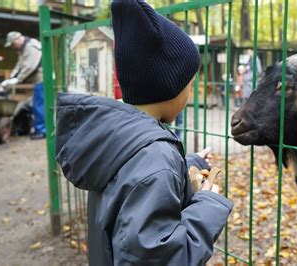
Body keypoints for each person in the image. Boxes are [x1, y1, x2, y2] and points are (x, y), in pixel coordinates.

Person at [54, 1, 233, 265]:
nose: (191, 92)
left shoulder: (120, 139)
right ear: (171, 86)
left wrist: (187, 165)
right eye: (190, 83)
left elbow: (131, 186)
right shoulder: (155, 159)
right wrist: (207, 204)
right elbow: (160, 257)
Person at [1, 31, 45, 139]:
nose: (12, 47)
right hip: (36, 80)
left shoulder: (30, 46)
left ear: (17, 40)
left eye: (12, 44)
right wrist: (12, 77)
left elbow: (30, 66)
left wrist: (18, 79)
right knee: (35, 104)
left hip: (42, 79)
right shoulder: (23, 48)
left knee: (39, 105)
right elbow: (20, 64)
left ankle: (42, 131)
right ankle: (37, 128)